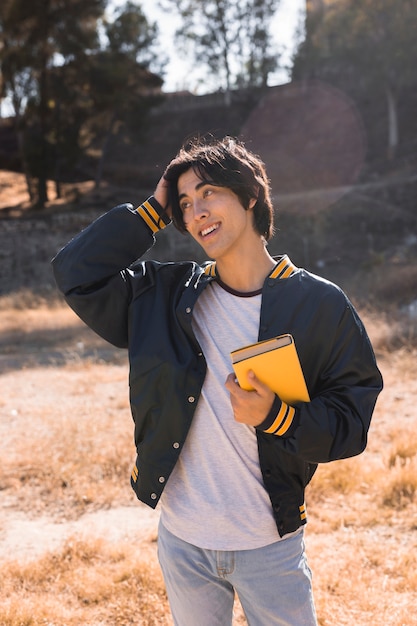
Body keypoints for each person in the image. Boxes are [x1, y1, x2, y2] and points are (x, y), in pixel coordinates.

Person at [52, 136, 383, 626]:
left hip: (269, 546)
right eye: (184, 203)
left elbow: (352, 424)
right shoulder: (162, 295)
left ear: (250, 195)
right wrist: (151, 211)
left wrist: (277, 416)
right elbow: (75, 274)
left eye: (208, 193)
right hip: (184, 542)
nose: (195, 212)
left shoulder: (320, 304)